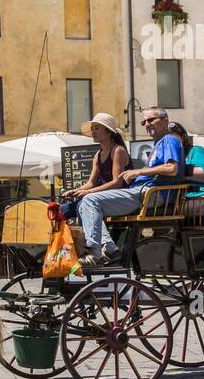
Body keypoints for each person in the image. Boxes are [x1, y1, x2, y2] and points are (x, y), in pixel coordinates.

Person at [78, 107, 183, 268]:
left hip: (152, 193)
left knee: (89, 201)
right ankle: (110, 249)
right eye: (144, 122)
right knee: (85, 206)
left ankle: (95, 252)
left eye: (151, 120)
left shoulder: (169, 140)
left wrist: (138, 171)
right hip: (142, 192)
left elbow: (172, 168)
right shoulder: (158, 143)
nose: (147, 124)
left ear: (165, 121)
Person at [59, 113, 129, 221]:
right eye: (92, 129)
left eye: (97, 128)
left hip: (119, 198)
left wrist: (88, 192)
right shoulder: (97, 155)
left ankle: (89, 237)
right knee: (62, 210)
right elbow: (91, 183)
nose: (93, 132)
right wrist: (75, 191)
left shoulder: (117, 150)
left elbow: (117, 183)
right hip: (102, 196)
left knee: (81, 206)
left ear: (109, 132)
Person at [168, 122, 204, 198]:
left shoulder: (195, 151)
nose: (170, 142)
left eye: (173, 138)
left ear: (183, 138)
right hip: (180, 198)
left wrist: (176, 170)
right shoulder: (168, 156)